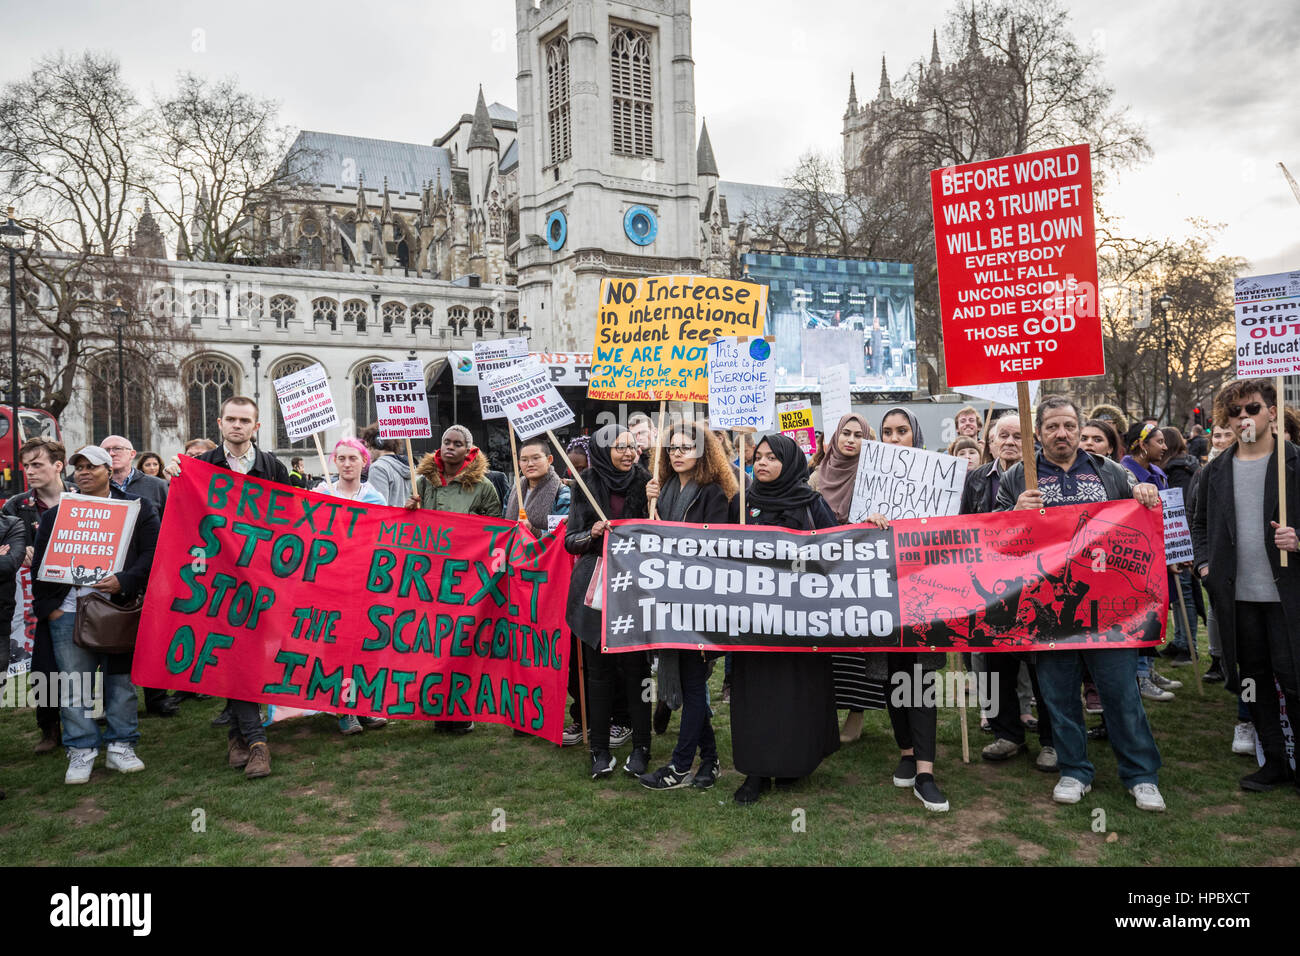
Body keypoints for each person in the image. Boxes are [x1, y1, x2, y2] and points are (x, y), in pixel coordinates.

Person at [996, 395, 1167, 812]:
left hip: (1108, 608)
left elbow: (1139, 520)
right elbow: (995, 541)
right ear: (1039, 433)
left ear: (1079, 428)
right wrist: (1014, 513)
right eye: (1052, 426)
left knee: (1120, 692)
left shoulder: (1110, 472)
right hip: (1049, 608)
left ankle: (1141, 775)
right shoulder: (1019, 477)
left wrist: (1143, 490)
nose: (1062, 434)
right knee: (1058, 695)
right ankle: (1074, 770)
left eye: (1069, 426)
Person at [1191, 379, 1299, 794]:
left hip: (1287, 598)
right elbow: (1200, 524)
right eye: (1233, 412)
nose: (1242, 418)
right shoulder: (1215, 469)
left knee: (1293, 680)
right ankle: (1273, 761)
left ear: (1272, 410)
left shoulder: (1295, 463)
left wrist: (1298, 539)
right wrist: (1205, 567)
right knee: (1252, 681)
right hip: (1238, 600)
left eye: (1251, 408)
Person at [174, 396, 290, 779]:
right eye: (231, 419)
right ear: (219, 423)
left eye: (245, 420)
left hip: (261, 578)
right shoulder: (202, 467)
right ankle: (257, 743)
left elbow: (292, 520)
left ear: (256, 427)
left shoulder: (272, 467)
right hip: (218, 579)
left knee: (251, 654)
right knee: (232, 651)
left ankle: (238, 738)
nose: (237, 426)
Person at [32, 446, 158, 785]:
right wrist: (53, 609)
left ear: (110, 469)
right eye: (80, 467)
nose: (84, 472)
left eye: (92, 466)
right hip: (69, 612)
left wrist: (125, 581)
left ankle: (121, 745)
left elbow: (153, 552)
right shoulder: (56, 516)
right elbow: (40, 565)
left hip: (118, 609)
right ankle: (81, 749)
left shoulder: (137, 508)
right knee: (73, 686)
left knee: (121, 683)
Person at [727, 433, 839, 805]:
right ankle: (755, 772)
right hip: (753, 621)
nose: (762, 463)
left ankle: (794, 762)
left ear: (789, 462)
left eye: (772, 457)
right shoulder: (741, 503)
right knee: (756, 696)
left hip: (800, 622)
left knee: (796, 694)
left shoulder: (811, 502)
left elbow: (838, 546)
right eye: (758, 456)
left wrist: (869, 525)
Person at [639, 421, 738, 790]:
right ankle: (709, 762)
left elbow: (713, 548)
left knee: (695, 684)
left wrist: (668, 532)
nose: (677, 453)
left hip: (698, 602)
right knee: (690, 682)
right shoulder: (660, 489)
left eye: (685, 447)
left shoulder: (714, 494)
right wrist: (646, 501)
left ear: (703, 452)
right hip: (665, 599)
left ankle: (680, 766)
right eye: (672, 448)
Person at [860, 406, 949, 811]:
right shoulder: (870, 483)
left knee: (922, 678)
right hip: (884, 597)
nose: (895, 439)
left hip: (926, 597)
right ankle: (907, 752)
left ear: (915, 433)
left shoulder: (940, 482)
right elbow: (850, 539)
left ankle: (926, 773)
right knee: (891, 676)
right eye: (888, 432)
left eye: (902, 431)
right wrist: (866, 521)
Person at [960, 411, 1056, 769]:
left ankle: (1051, 739)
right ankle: (1006, 733)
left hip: (1039, 584)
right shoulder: (974, 481)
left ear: (1031, 442)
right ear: (990, 442)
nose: (1011, 442)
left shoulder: (1044, 476)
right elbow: (968, 528)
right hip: (991, 585)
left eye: (1019, 436)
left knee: (1043, 663)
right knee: (996, 662)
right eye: (1004, 436)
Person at [565, 424, 653, 779]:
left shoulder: (648, 483)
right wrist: (591, 534)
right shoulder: (586, 484)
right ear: (603, 451)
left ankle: (642, 748)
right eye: (620, 447)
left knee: (637, 671)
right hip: (594, 588)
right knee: (597, 672)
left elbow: (660, 534)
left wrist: (653, 506)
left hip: (635, 587)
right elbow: (571, 540)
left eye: (632, 446)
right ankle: (598, 749)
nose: (628, 453)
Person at [808, 414, 883, 743]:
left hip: (860, 576)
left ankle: (856, 711)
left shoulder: (875, 477)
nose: (851, 439)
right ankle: (823, 709)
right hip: (822, 574)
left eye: (859, 435)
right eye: (846, 433)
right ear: (836, 437)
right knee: (826, 644)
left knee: (857, 644)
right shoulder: (814, 479)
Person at [313, 438, 389, 735]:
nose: (346, 464)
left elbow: (385, 537)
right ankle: (343, 708)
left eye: (352, 459)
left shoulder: (374, 498)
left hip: (364, 582)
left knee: (364, 645)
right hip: (330, 583)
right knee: (337, 646)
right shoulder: (320, 493)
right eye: (341, 458)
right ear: (333, 461)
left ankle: (365, 705)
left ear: (363, 462)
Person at [3, 437, 70, 753]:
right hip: (35, 601)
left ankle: (87, 718)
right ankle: (49, 727)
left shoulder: (80, 498)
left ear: (58, 465)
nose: (29, 471)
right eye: (26, 465)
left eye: (37, 464)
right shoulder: (15, 505)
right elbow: (6, 546)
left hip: (77, 596)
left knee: (85, 661)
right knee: (44, 666)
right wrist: (19, 552)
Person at [100, 435, 174, 718]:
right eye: (105, 450)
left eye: (116, 449)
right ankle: (111, 703)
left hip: (150, 574)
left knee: (152, 638)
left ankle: (157, 698)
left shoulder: (156, 486)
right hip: (109, 577)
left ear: (132, 454)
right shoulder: (92, 486)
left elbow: (172, 522)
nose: (111, 453)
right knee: (111, 640)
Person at [1118, 422, 1182, 701]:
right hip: (1138, 557)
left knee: (1158, 610)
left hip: (1160, 553)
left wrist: (1176, 550)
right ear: (1143, 445)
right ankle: (1140, 675)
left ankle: (1150, 667)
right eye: (1158, 441)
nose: (1165, 446)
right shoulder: (1125, 473)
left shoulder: (1158, 472)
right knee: (1142, 614)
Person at [1160, 426, 1204, 666]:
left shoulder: (1178, 470)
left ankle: (1189, 646)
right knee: (1178, 594)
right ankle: (1179, 640)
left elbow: (1183, 508)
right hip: (1181, 537)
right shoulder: (1186, 466)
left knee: (1184, 593)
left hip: (1181, 539)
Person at [407, 425, 501, 518]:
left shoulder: (483, 486)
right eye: (446, 443)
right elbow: (411, 525)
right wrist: (409, 511)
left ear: (467, 451)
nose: (450, 447)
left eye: (457, 444)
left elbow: (495, 526)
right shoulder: (423, 483)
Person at [503, 436, 570, 539]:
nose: (530, 464)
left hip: (544, 553)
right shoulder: (514, 490)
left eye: (536, 458)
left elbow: (564, 533)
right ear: (519, 463)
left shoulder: (561, 493)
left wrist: (533, 530)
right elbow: (503, 524)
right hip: (513, 552)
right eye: (524, 460)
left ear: (549, 459)